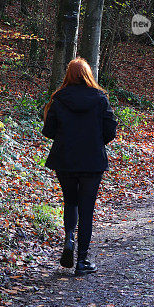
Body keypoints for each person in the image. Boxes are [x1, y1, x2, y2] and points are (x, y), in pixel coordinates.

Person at [42, 57, 117, 276]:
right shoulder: (100, 99)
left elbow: (48, 131)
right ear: (87, 74)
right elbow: (111, 130)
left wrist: (66, 138)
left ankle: (68, 240)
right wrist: (94, 141)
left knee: (70, 202)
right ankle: (82, 260)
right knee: (87, 209)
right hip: (92, 161)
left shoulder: (59, 99)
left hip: (65, 160)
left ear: (68, 75)